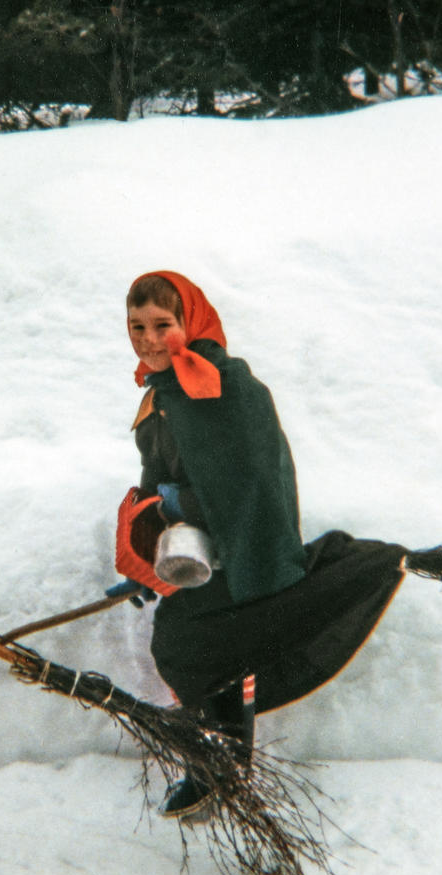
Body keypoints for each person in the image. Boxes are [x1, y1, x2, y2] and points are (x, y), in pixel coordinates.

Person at [111, 270, 307, 821]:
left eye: (162, 325)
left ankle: (221, 766)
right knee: (194, 652)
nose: (148, 339)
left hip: (238, 553)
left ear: (191, 321)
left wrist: (180, 502)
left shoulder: (229, 387)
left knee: (195, 650)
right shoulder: (161, 392)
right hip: (189, 552)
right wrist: (143, 557)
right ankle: (217, 765)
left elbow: (253, 485)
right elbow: (155, 476)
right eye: (137, 326)